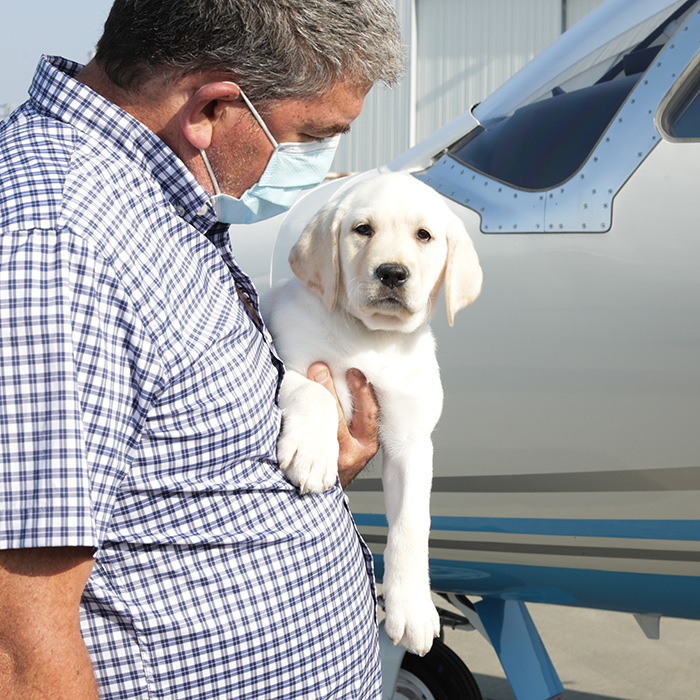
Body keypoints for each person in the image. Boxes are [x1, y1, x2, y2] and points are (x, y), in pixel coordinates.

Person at [0, 1, 404, 697]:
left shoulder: (147, 202)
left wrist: (301, 475)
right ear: (212, 109)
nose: (321, 163)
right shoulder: (57, 243)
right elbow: (19, 644)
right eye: (314, 135)